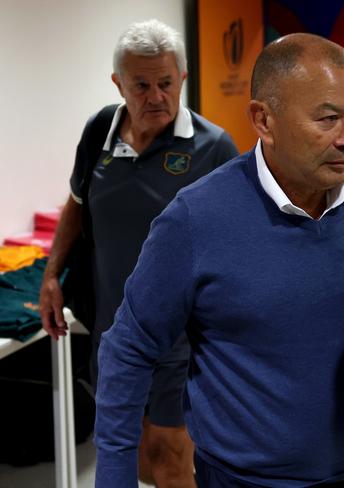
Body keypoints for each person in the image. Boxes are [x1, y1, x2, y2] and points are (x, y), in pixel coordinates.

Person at [94, 33, 344, 487]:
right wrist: (114, 476)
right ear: (264, 119)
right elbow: (128, 348)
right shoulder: (195, 219)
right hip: (240, 479)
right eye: (328, 118)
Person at [38, 19, 238, 488]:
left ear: (182, 78)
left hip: (183, 337)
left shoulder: (214, 148)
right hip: (114, 333)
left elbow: (243, 244)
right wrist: (52, 274)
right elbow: (77, 203)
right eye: (141, 85)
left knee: (170, 456)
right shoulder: (98, 132)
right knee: (133, 457)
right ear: (118, 84)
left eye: (166, 83)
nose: (156, 96)